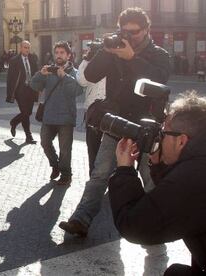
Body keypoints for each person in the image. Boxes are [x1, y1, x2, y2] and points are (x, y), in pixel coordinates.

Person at [59, 7, 170, 237]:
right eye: (124, 31)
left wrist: (132, 58)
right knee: (100, 173)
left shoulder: (159, 54)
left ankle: (159, 226)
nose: (128, 36)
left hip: (148, 126)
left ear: (147, 29)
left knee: (149, 179)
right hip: (117, 123)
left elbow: (159, 80)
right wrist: (106, 51)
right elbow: (89, 77)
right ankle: (81, 219)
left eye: (134, 32)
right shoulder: (114, 51)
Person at [109, 91, 206, 275]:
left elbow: (135, 225)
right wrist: (158, 164)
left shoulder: (193, 177)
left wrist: (124, 170)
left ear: (181, 141)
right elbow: (174, 202)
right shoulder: (198, 164)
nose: (159, 138)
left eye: (163, 133)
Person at [30, 41, 83, 186]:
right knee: (45, 142)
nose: (59, 56)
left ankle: (66, 175)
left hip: (66, 117)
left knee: (65, 150)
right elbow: (34, 85)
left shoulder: (75, 73)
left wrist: (64, 76)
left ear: (68, 55)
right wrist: (41, 74)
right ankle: (55, 166)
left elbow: (77, 91)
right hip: (49, 115)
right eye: (57, 53)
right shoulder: (49, 71)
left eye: (62, 53)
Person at [76, 47, 106, 175]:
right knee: (93, 146)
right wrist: (87, 59)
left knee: (109, 147)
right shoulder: (90, 63)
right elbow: (82, 81)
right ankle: (93, 175)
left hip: (112, 109)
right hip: (92, 109)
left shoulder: (114, 60)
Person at [6, 40, 39, 144]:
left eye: (28, 47)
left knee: (28, 113)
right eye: (25, 47)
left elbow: (36, 74)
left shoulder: (33, 58)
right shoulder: (14, 60)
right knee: (25, 112)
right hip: (20, 91)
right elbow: (10, 78)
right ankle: (28, 136)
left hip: (31, 90)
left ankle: (14, 122)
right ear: (20, 48)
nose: (27, 49)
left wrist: (39, 87)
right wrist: (10, 94)